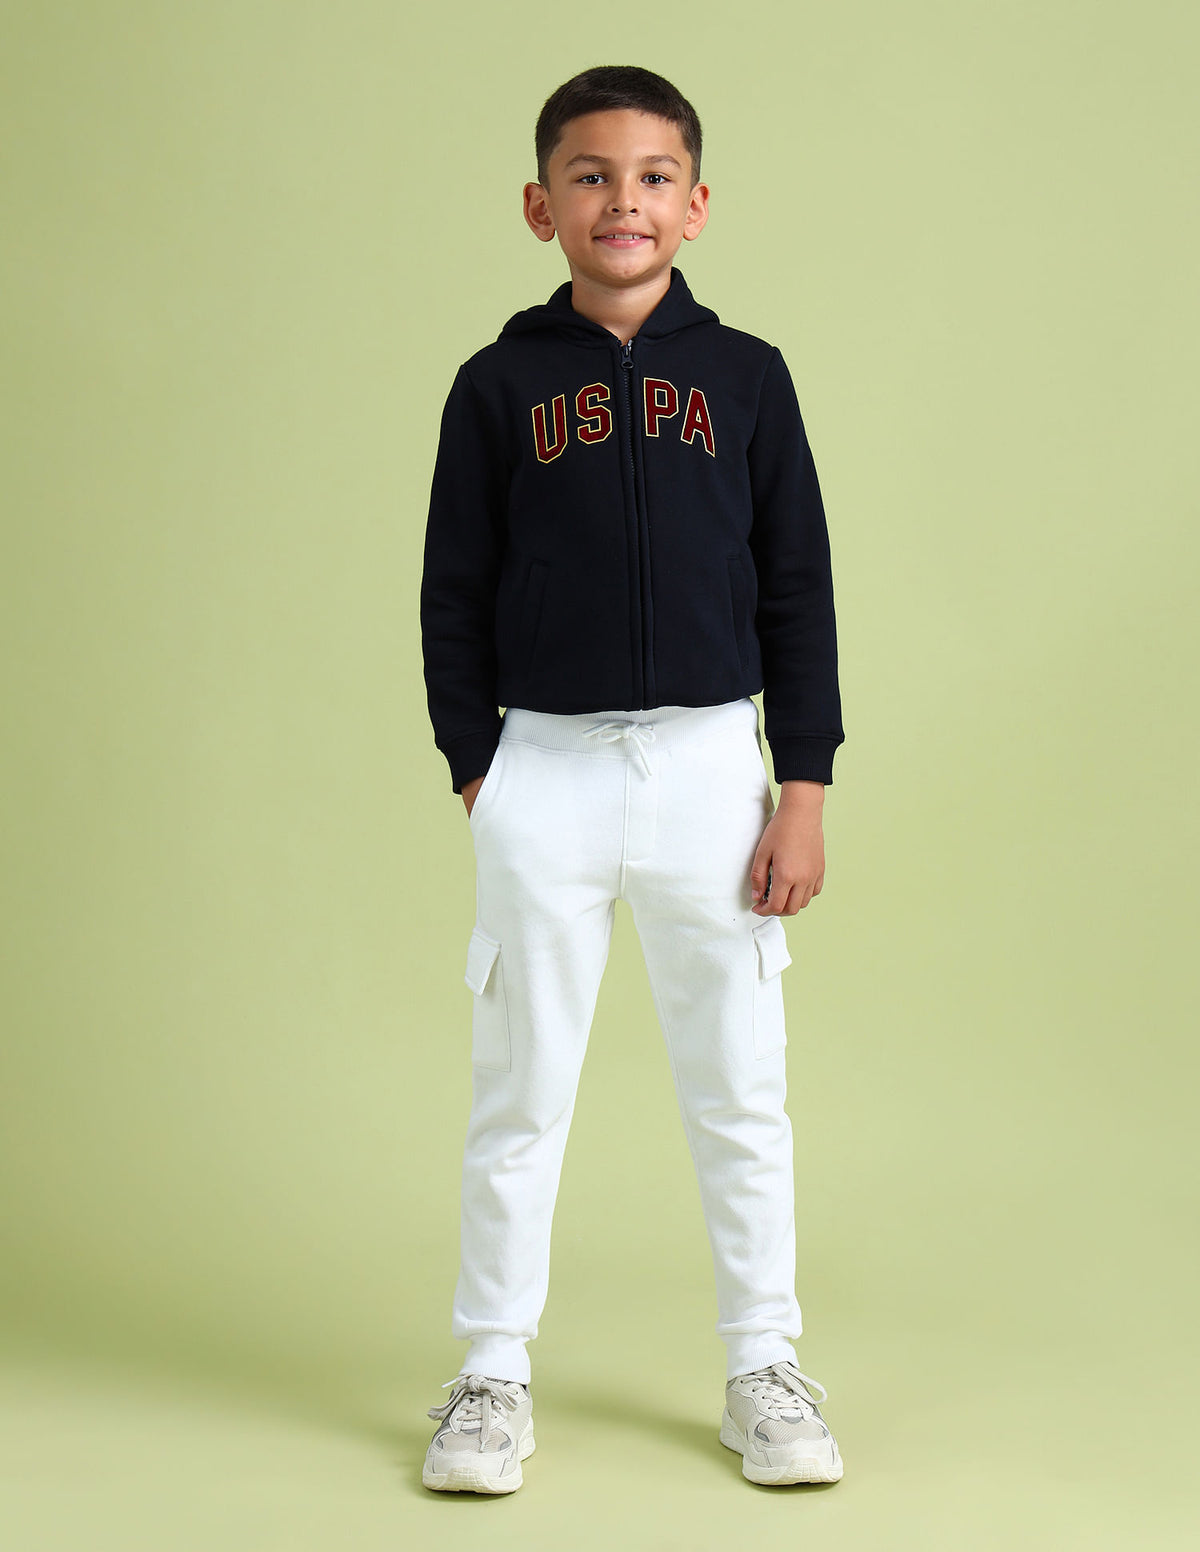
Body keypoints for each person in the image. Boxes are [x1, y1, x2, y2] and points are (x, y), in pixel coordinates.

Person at [418, 63, 846, 1494]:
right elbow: (452, 588)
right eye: (590, 176)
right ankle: (490, 1374)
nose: (623, 201)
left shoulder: (748, 379)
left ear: (697, 205)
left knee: (740, 1088)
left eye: (654, 176)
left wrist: (802, 786)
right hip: (541, 768)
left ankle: (764, 1366)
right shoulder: (498, 387)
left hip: (712, 769)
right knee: (520, 1090)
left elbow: (798, 586)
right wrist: (480, 769)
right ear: (539, 205)